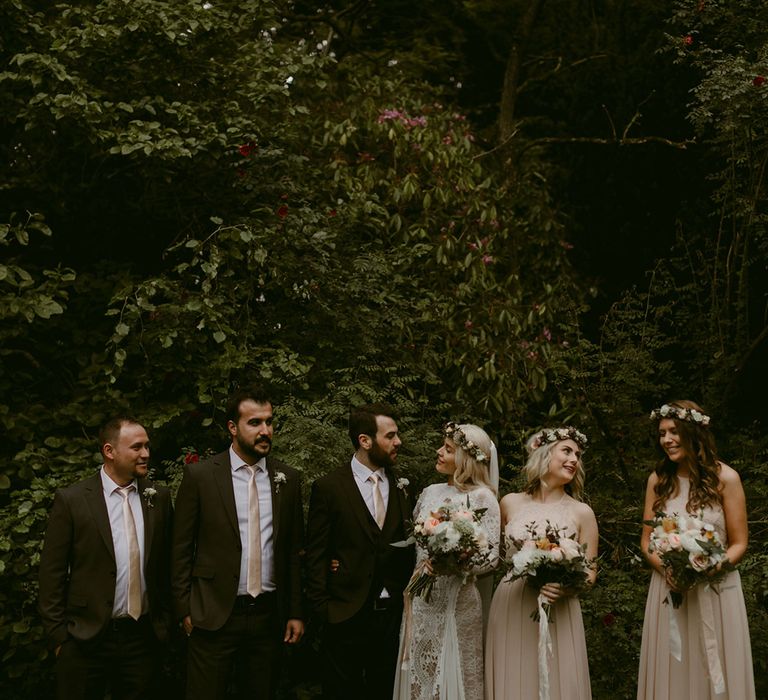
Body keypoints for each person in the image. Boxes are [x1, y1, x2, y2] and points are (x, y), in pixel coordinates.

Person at [171, 385, 304, 700]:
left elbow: (294, 551)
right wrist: (184, 610)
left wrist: (296, 611)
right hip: (213, 614)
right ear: (232, 428)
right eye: (255, 423)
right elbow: (179, 549)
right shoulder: (201, 477)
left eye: (269, 422)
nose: (265, 431)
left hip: (267, 617)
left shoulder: (288, 479)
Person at [38, 416, 173, 700]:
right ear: (109, 451)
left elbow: (166, 566)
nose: (146, 454)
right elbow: (51, 574)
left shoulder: (157, 498)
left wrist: (164, 623)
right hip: (86, 639)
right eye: (137, 447)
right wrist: (60, 638)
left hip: (142, 637)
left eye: (147, 446)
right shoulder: (73, 500)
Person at [637, 401, 755, 699]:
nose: (666, 439)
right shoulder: (658, 481)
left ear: (694, 433)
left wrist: (708, 569)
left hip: (716, 588)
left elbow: (739, 542)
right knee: (673, 668)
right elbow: (646, 541)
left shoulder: (726, 479)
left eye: (674, 431)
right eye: (662, 433)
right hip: (669, 587)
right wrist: (667, 569)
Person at [305, 402, 415, 700]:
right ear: (365, 441)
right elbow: (316, 554)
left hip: (390, 617)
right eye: (390, 436)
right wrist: (324, 609)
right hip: (344, 616)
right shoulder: (329, 487)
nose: (398, 442)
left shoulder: (402, 486)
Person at [485, 426, 598, 700]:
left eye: (578, 455)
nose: (574, 459)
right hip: (512, 602)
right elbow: (494, 557)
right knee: (512, 676)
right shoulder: (509, 503)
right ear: (544, 454)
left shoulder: (582, 512)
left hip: (558, 607)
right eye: (567, 451)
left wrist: (565, 587)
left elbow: (590, 573)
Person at [393, 421, 501, 700]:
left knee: (454, 675)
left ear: (465, 459)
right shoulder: (430, 492)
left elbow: (490, 558)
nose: (439, 451)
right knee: (420, 672)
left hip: (458, 601)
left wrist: (454, 562)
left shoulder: (483, 498)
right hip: (422, 599)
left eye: (448, 449)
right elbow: (419, 540)